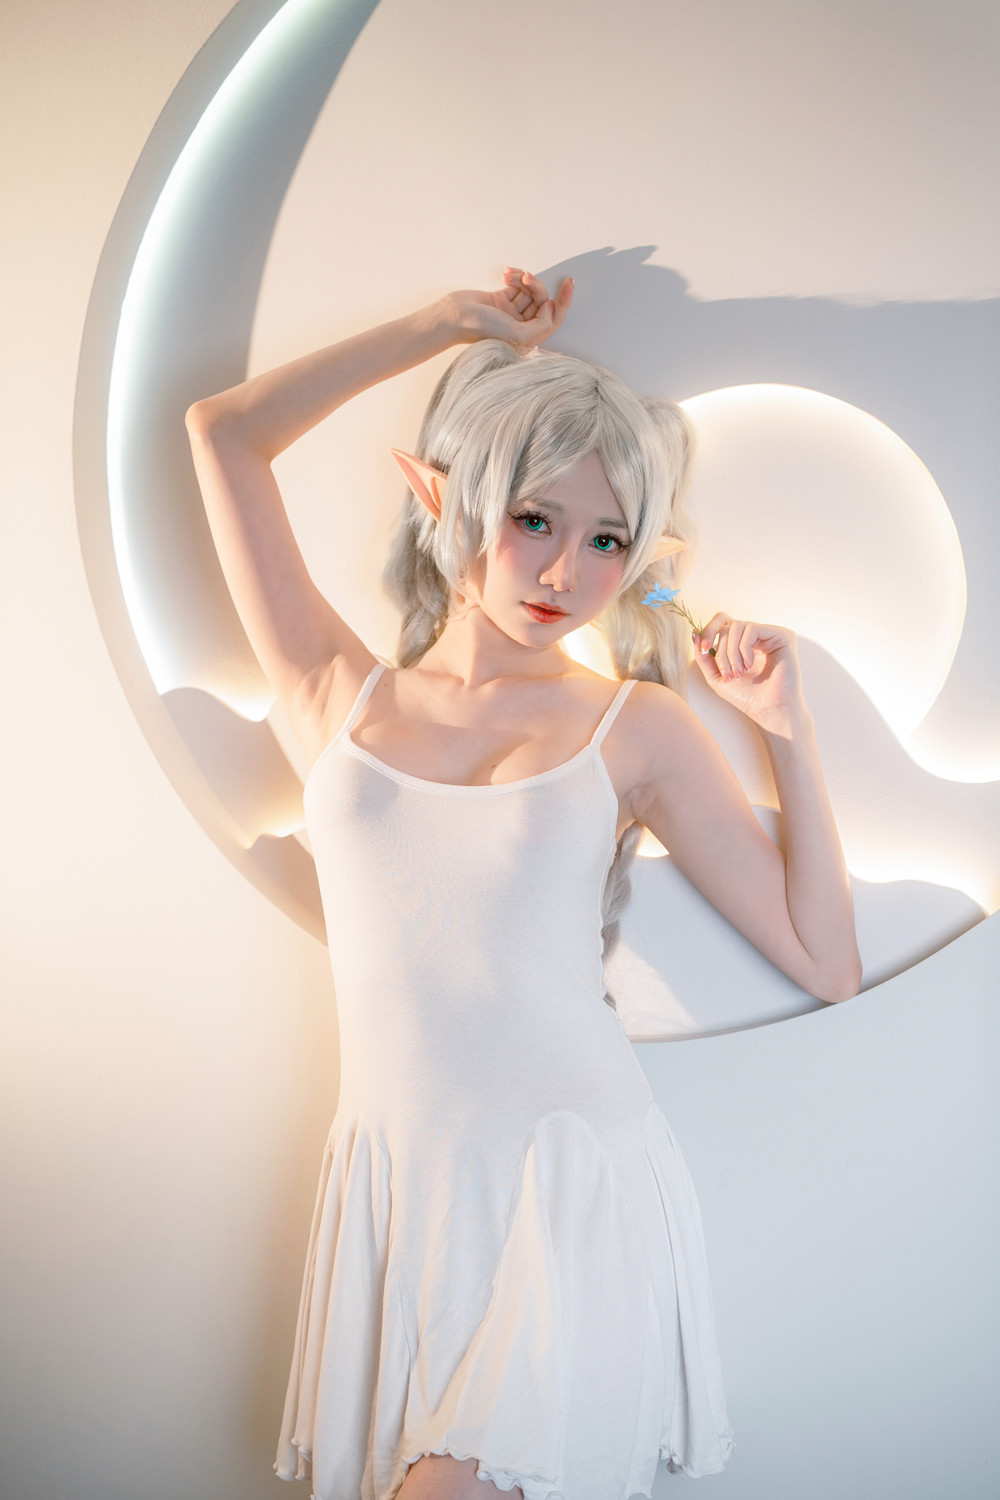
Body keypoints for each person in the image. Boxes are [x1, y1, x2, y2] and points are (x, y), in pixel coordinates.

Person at [185, 267, 862, 1500]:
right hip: (401, 1193)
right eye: (535, 519)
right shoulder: (340, 694)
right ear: (440, 496)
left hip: (571, 1190)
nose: (564, 572)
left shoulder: (635, 726)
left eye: (607, 541)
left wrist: (788, 732)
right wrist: (451, 324)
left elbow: (827, 961)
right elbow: (223, 435)